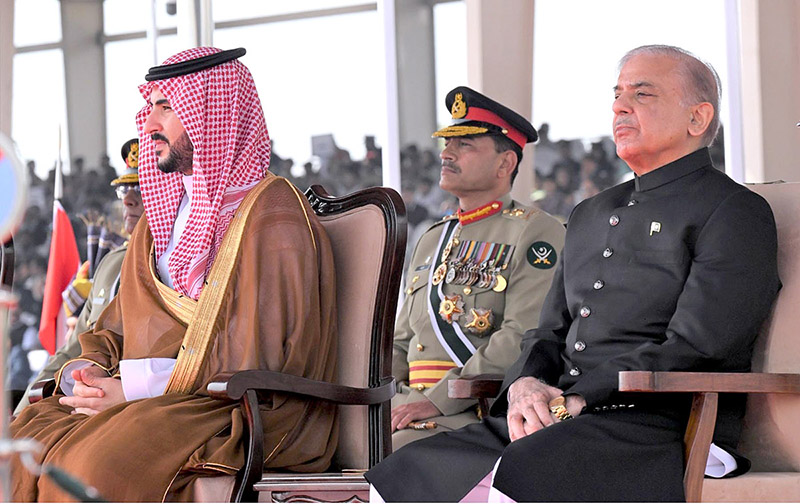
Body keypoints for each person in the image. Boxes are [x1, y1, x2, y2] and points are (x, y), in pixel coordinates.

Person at [366, 45, 781, 502]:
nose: (620, 106)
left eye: (642, 94)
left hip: (655, 422)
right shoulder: (590, 213)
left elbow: (699, 345)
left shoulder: (734, 211)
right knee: (406, 470)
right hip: (562, 417)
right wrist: (525, 386)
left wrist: (582, 397)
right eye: (618, 94)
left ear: (697, 119)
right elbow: (545, 333)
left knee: (514, 475)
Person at [10, 47, 338, 502]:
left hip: (235, 406)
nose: (148, 124)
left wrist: (133, 388)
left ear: (213, 114)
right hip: (148, 398)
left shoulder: (271, 213)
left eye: (167, 107)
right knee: (23, 440)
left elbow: (262, 353)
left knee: (96, 466)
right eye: (151, 107)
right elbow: (113, 326)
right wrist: (89, 373)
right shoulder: (158, 220)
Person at [391, 86, 565, 450]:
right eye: (447, 144)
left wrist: (436, 400)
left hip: (475, 408)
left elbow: (522, 334)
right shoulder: (431, 238)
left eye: (465, 145)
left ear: (505, 164)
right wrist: (377, 400)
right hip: (407, 407)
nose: (446, 154)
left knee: (395, 453)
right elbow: (402, 342)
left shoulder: (534, 230)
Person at [13, 138, 143, 416]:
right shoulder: (110, 263)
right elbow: (72, 346)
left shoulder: (173, 264)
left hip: (131, 398)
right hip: (84, 392)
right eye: (123, 190)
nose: (129, 200)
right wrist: (22, 407)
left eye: (140, 190)